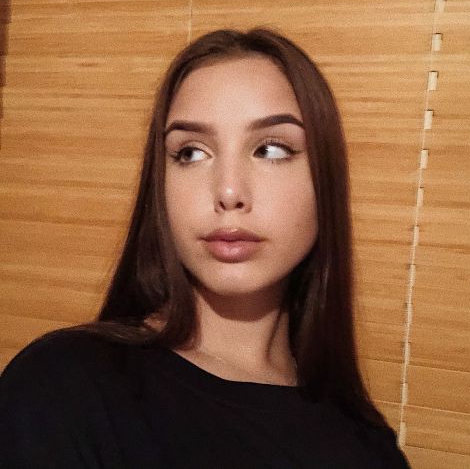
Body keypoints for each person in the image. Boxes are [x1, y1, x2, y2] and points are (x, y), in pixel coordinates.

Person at [0, 28, 411, 468]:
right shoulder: (64, 389)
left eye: (271, 150)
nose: (229, 191)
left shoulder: (368, 447)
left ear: (325, 182)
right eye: (191, 153)